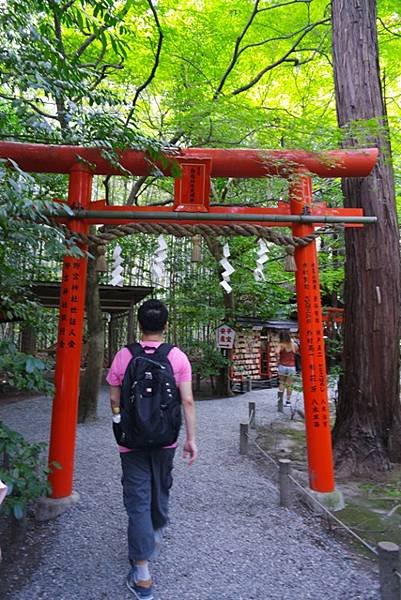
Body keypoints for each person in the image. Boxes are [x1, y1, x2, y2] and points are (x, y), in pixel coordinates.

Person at [107, 299, 197, 600]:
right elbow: (186, 401)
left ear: (139, 325)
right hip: (165, 439)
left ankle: (142, 575)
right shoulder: (177, 357)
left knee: (137, 499)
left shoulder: (123, 355)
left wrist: (120, 422)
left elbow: (114, 398)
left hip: (130, 442)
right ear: (166, 325)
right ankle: (154, 535)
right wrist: (191, 439)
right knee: (160, 490)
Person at [275, 330, 298, 411]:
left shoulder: (281, 344)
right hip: (291, 366)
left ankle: (280, 401)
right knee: (289, 384)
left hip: (282, 365)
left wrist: (278, 358)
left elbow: (276, 352)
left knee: (282, 383)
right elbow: (296, 352)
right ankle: (288, 401)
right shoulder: (293, 345)